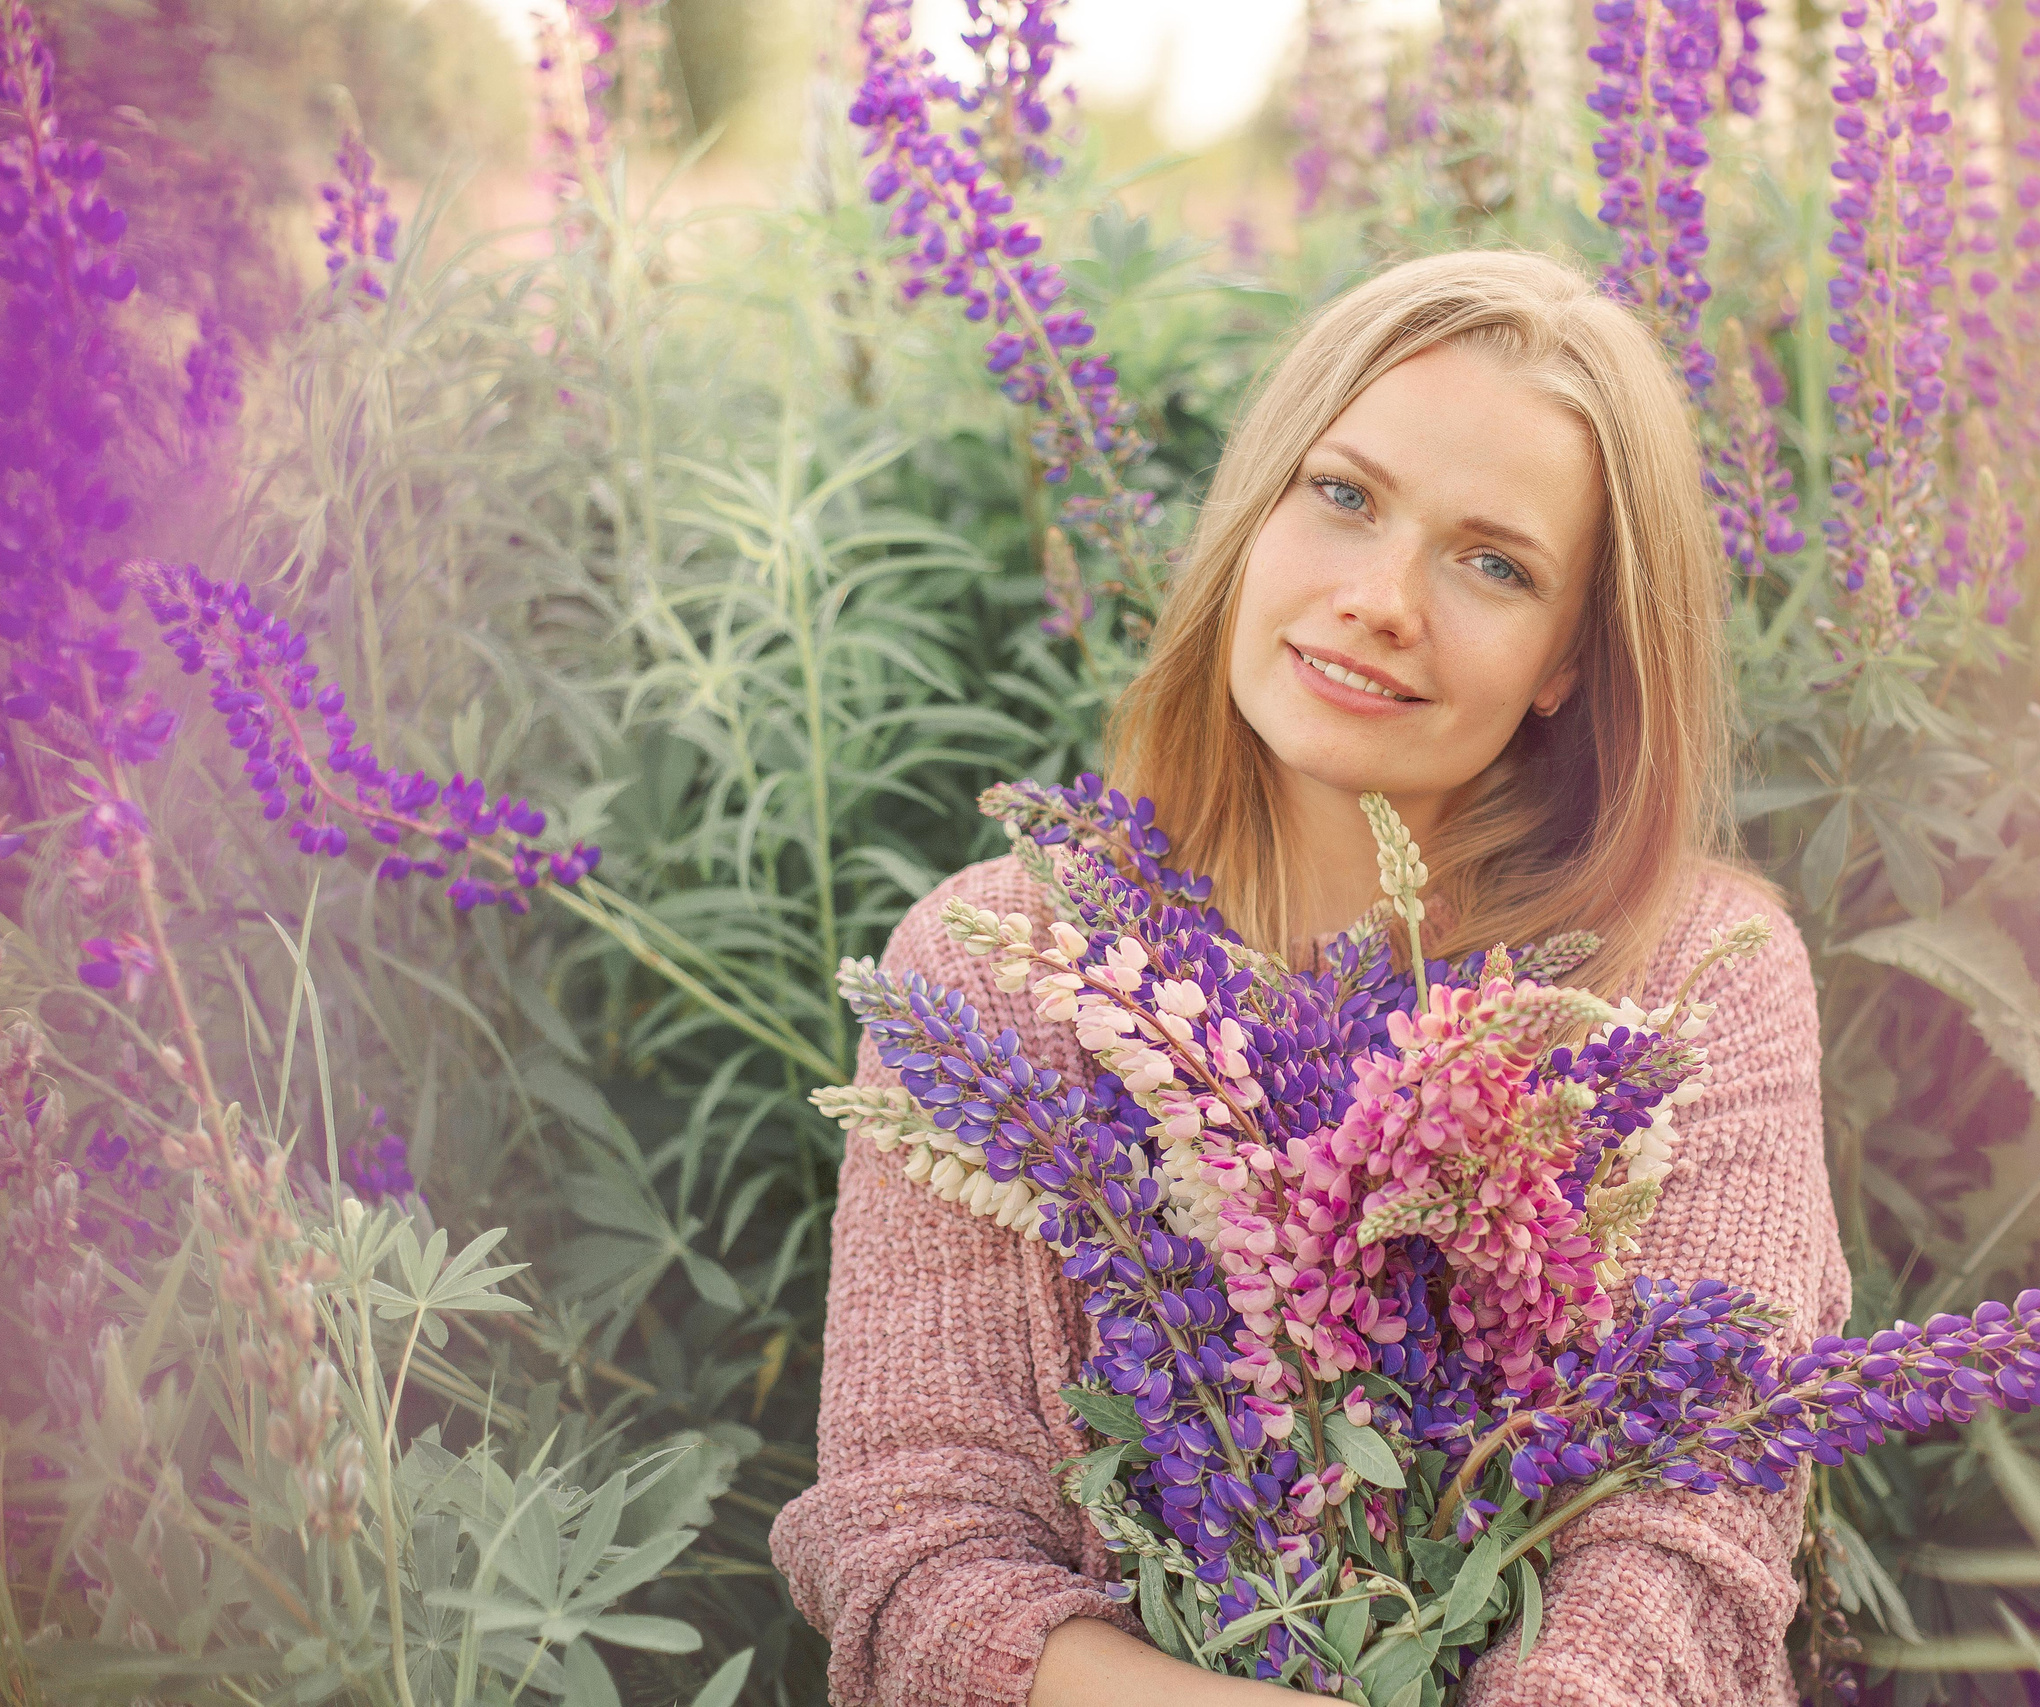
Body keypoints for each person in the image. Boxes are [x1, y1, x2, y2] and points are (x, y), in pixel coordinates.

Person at [770, 249, 1850, 1707]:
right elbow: (916, 1555)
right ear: (1253, 513)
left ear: (1570, 661)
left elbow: (1684, 1554)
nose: (1382, 599)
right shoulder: (993, 965)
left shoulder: (1692, 980)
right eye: (1343, 494)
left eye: (1495, 564)